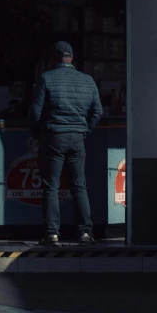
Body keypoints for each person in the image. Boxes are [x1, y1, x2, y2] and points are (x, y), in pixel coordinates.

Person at [29, 41, 103, 246]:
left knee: (51, 186)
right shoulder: (87, 80)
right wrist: (84, 129)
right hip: (77, 138)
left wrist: (36, 135)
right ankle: (85, 233)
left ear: (54, 58)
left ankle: (52, 234)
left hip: (53, 138)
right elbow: (98, 111)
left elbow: (35, 112)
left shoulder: (46, 78)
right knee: (79, 185)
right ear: (72, 58)